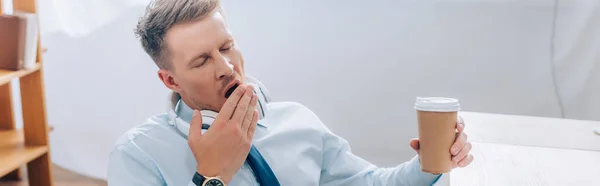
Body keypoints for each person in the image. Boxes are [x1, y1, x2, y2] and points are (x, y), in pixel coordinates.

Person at [107, 0, 473, 185]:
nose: (226, 67)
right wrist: (212, 176)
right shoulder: (137, 155)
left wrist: (431, 163)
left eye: (227, 46)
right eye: (202, 61)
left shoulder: (297, 121)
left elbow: (368, 183)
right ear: (170, 81)